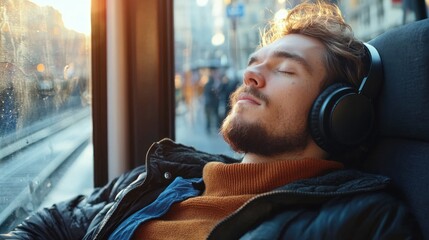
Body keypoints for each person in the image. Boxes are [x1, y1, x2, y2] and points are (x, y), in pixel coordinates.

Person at [0, 1, 421, 240]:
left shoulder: (364, 222)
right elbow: (60, 220)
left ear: (339, 112)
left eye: (286, 70)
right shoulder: (164, 177)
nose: (250, 75)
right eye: (254, 63)